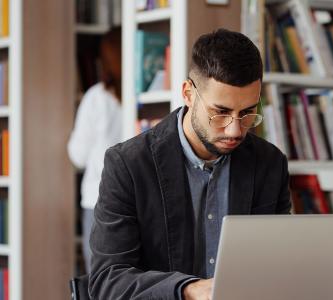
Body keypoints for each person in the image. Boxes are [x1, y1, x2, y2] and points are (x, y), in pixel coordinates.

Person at [89, 28, 291, 299]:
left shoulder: (270, 164)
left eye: (247, 113)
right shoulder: (128, 165)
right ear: (188, 93)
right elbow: (107, 282)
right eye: (220, 112)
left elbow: (278, 263)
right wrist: (188, 290)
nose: (234, 130)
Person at [67, 29, 122, 274]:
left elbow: (77, 155)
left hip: (97, 201)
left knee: (100, 281)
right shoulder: (143, 94)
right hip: (135, 201)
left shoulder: (96, 98)